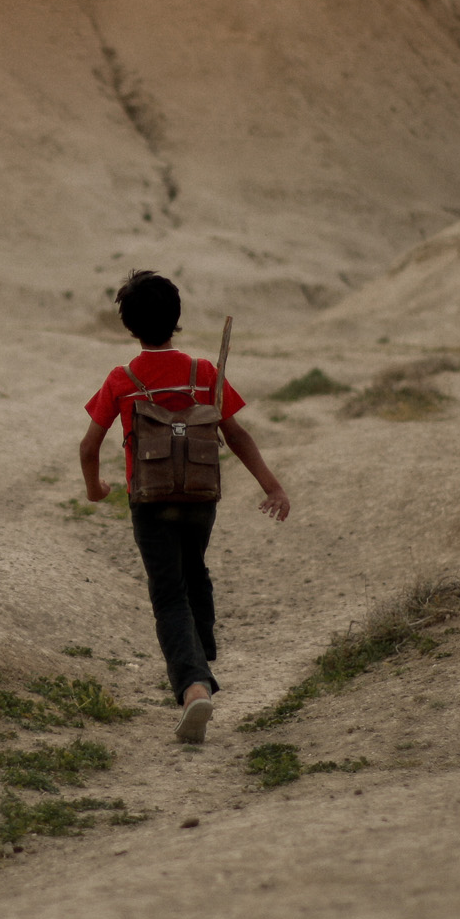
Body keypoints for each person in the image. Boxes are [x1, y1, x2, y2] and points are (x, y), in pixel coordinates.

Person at [79, 271, 291, 743]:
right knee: (193, 569)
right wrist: (272, 487)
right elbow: (237, 435)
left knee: (168, 593)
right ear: (177, 319)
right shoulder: (204, 373)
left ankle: (194, 687)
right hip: (200, 495)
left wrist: (95, 488)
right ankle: (202, 651)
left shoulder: (122, 379)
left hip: (149, 499)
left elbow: (89, 446)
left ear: (128, 326)